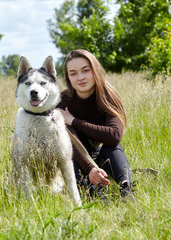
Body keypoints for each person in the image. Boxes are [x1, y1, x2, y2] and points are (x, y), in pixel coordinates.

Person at [56, 49, 134, 201]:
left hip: (99, 156)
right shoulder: (62, 101)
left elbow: (114, 136)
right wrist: (90, 169)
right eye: (73, 73)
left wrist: (73, 121)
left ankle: (126, 189)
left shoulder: (107, 95)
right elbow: (67, 143)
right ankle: (93, 193)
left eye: (86, 70)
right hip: (76, 159)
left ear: (95, 70)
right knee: (67, 153)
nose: (80, 77)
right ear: (68, 78)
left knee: (112, 147)